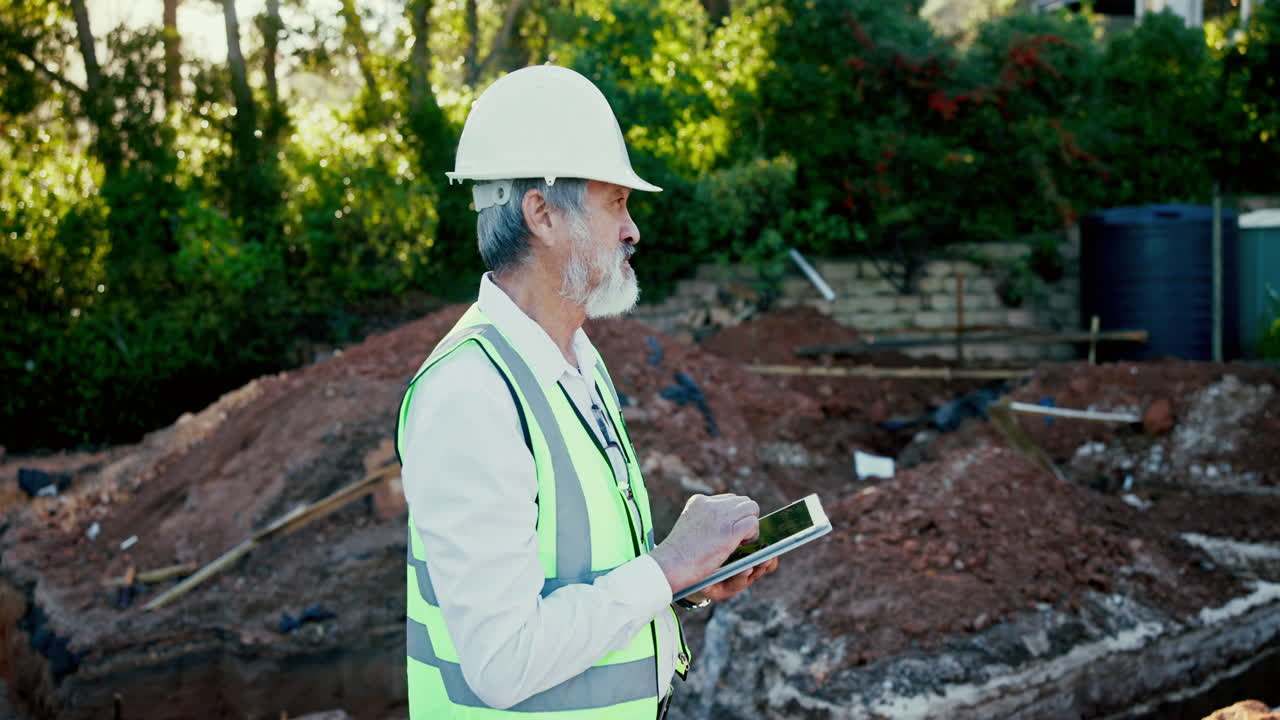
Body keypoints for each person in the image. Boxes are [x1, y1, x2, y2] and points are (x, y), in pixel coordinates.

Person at [395, 64, 777, 719]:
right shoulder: (471, 393)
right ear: (541, 214)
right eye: (616, 202)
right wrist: (670, 566)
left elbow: (584, 584)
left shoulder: (576, 360)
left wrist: (690, 576)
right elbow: (503, 661)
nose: (633, 230)